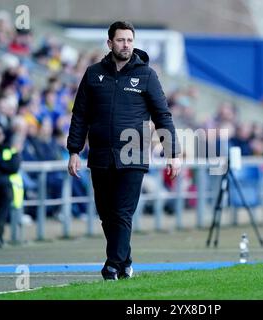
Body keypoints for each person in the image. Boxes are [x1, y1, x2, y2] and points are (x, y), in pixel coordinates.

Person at [67, 21, 181, 280]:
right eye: (120, 40)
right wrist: (74, 150)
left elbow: (162, 115)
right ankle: (126, 261)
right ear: (110, 43)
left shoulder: (147, 75)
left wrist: (172, 153)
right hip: (100, 156)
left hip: (134, 154)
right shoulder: (93, 73)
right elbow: (80, 115)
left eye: (129, 40)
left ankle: (112, 266)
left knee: (122, 212)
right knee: (106, 214)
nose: (126, 44)